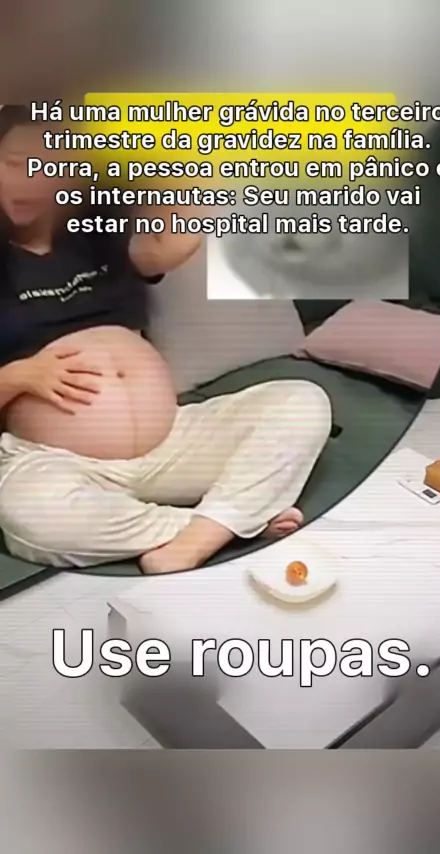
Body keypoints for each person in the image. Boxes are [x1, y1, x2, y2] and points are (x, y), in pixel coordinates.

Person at [0, 105, 332, 574]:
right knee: (29, 515)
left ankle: (202, 532)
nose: (30, 182)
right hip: (58, 462)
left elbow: (173, 240)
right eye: (15, 164)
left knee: (302, 402)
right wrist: (21, 375)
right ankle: (222, 524)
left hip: (173, 443)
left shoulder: (97, 234)